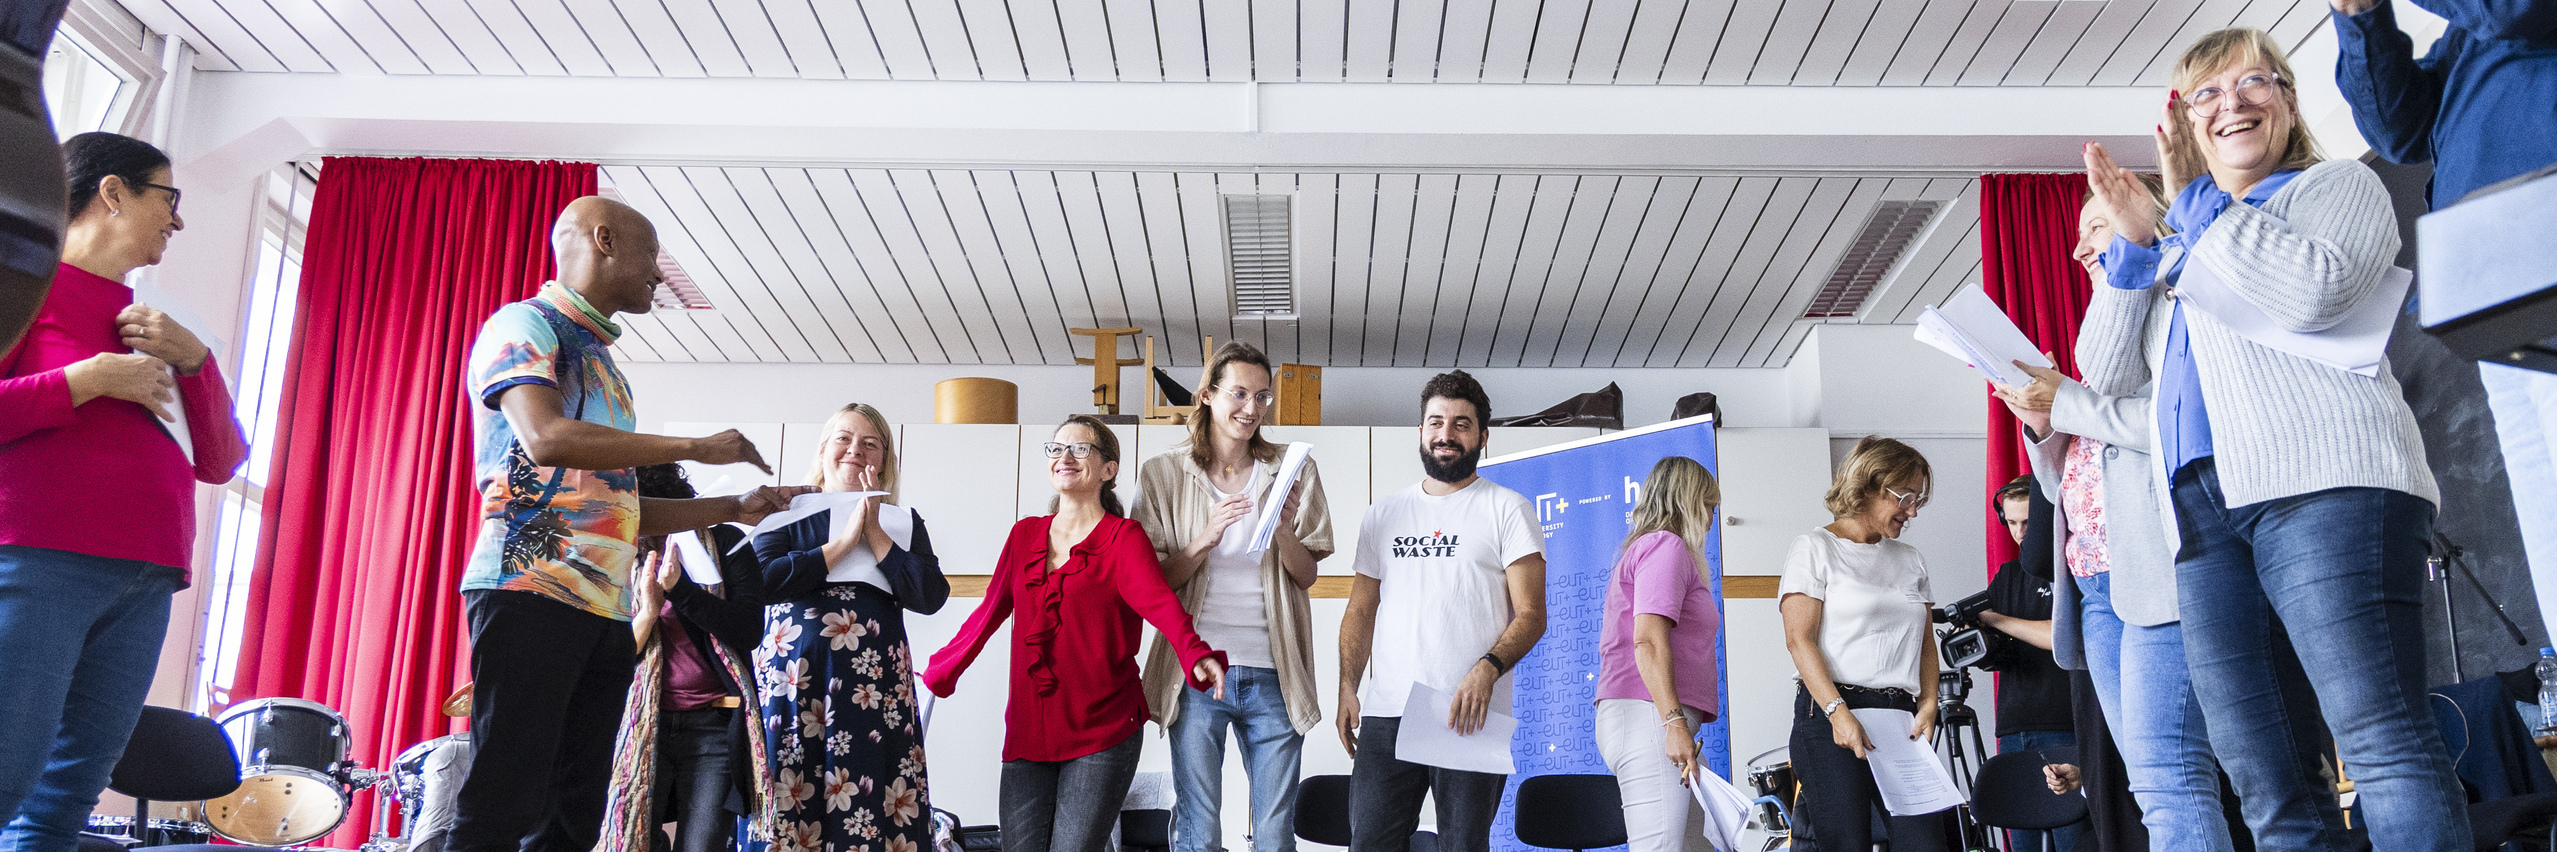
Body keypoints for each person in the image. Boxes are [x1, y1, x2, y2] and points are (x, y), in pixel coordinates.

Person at [2079, 27, 2468, 850]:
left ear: (2287, 102)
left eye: (2254, 82)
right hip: (2201, 517)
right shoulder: (2181, 239)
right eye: (2207, 93)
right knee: (2266, 776)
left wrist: (2196, 207)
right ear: (2184, 121)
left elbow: (2312, 293)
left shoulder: (2333, 187)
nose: (2232, 103)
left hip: (2326, 489)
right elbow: (2104, 372)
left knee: (2379, 739)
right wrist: (2136, 249)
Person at [455, 196, 805, 852]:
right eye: (651, 254)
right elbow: (546, 438)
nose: (659, 273)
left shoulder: (607, 367)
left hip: (605, 612)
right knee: (503, 802)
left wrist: (734, 508)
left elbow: (619, 509)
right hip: (530, 591)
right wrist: (694, 447)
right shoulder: (523, 324)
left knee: (574, 816)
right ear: (605, 240)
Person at [0, 131, 247, 851]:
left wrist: (196, 363)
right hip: (41, 558)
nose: (177, 219)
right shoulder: (21, 290)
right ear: (113, 192)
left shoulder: (162, 325)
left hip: (147, 575)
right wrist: (83, 381)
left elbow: (221, 461)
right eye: (168, 198)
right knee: (8, 771)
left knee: (68, 798)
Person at [922, 415, 1228, 852]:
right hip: (1028, 731)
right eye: (1056, 448)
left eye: (1080, 449)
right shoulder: (1024, 534)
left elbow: (1161, 604)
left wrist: (1195, 652)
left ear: (1108, 469)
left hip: (1102, 729)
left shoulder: (1124, 537)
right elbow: (988, 612)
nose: (1064, 456)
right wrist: (942, 669)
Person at [1133, 342, 1333, 852]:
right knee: (1199, 831)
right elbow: (1151, 582)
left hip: (1276, 672)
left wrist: (1283, 529)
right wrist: (1204, 538)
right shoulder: (1162, 473)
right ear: (1207, 394)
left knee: (1274, 834)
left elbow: (1306, 575)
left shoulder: (1293, 468)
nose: (1252, 408)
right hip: (1197, 672)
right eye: (1239, 393)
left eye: (1263, 397)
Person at [1336, 370, 1547, 852]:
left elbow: (1532, 614)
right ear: (1420, 431)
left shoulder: (1507, 508)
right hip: (1388, 712)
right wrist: (1348, 686)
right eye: (1436, 422)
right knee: (1369, 844)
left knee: (1463, 846)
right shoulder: (1383, 514)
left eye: (1461, 424)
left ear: (1483, 436)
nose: (1445, 434)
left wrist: (1487, 669)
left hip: (1469, 711)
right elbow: (1361, 609)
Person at [754, 403, 950, 852]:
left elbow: (930, 596)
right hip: (795, 682)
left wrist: (874, 531)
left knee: (870, 791)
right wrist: (844, 543)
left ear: (884, 460)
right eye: (844, 438)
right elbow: (762, 582)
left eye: (870, 443)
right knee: (788, 789)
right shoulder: (786, 511)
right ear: (824, 449)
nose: (855, 450)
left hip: (874, 690)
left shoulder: (903, 522)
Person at [1778, 436, 1951, 852]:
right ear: (1869, 486)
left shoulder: (1911, 558)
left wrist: (1929, 703)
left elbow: (1925, 641)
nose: (1912, 511)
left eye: (1917, 500)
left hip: (1900, 721)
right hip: (1832, 716)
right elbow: (1799, 640)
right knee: (1847, 844)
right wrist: (1838, 713)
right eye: (1905, 497)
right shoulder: (1814, 548)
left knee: (1927, 845)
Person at [600, 464, 775, 852]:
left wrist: (681, 590)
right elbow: (610, 657)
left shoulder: (725, 542)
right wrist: (649, 611)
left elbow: (748, 631)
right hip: (642, 723)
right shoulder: (618, 552)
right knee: (634, 841)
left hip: (714, 726)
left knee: (702, 845)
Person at [1592, 456, 1722, 852]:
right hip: (1650, 718)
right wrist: (1673, 721)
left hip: (1651, 719)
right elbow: (1647, 641)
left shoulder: (1652, 548)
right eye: (1708, 505)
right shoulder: (1666, 546)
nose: (1712, 518)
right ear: (1688, 502)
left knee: (1699, 845)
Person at [1979, 476, 2082, 852]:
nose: (2019, 533)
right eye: (2011, 522)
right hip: (2013, 727)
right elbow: (1994, 649)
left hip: (2065, 725)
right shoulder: (2007, 575)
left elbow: (2062, 635)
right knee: (2021, 843)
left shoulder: (2074, 567)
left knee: (2075, 842)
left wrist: (1995, 619)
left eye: (2027, 522)